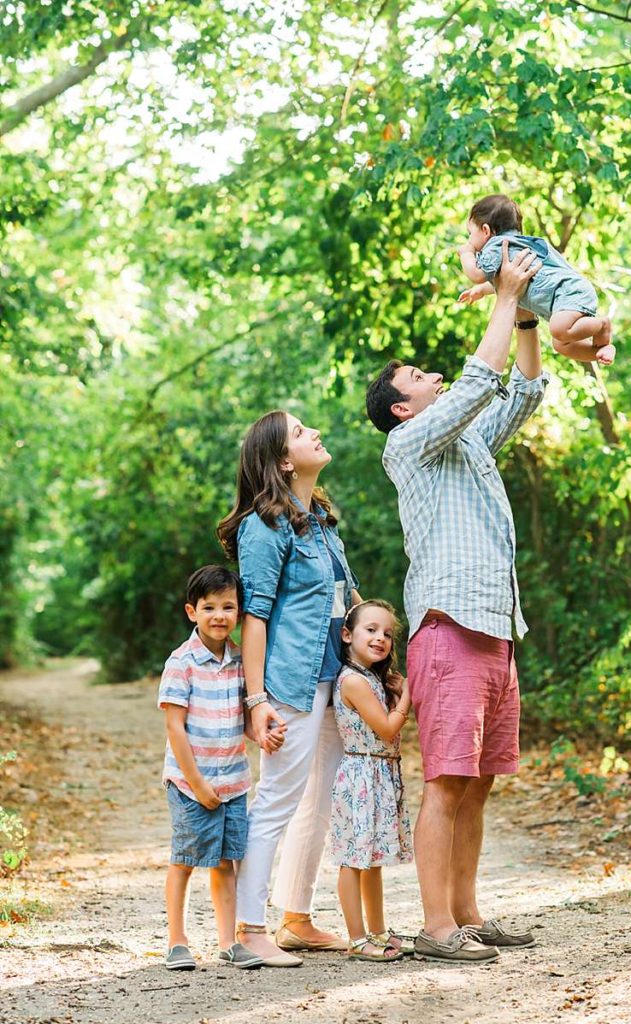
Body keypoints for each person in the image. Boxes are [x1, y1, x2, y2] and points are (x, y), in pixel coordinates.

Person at [365, 241, 546, 964]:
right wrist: (501, 296)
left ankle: (467, 914)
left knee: (478, 785)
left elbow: (522, 390)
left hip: (497, 630)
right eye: (417, 375)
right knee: (445, 783)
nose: (431, 373)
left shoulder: (466, 445)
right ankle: (436, 927)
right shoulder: (407, 445)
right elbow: (477, 381)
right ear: (403, 405)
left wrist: (526, 314)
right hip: (448, 632)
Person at [217, 410, 361, 967]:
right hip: (290, 682)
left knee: (319, 799)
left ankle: (294, 919)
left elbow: (341, 600)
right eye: (300, 433)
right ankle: (247, 931)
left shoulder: (319, 521)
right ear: (281, 459)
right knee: (276, 800)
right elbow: (254, 618)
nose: (314, 433)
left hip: (336, 676)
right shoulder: (264, 526)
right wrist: (255, 703)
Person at [158, 565, 269, 971]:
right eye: (209, 607)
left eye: (228, 606)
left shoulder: (241, 660)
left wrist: (262, 735)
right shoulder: (181, 662)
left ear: (238, 612)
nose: (219, 615)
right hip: (191, 783)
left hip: (234, 780)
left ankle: (227, 942)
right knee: (185, 858)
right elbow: (175, 726)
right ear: (192, 612)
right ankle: (176, 941)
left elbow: (241, 716)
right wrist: (197, 782)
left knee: (226, 861)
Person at [330, 600, 413, 963]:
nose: (380, 638)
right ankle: (356, 937)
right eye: (371, 630)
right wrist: (407, 694)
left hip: (378, 774)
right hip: (361, 777)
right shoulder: (353, 681)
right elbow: (388, 727)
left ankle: (378, 931)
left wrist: (393, 691)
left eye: (388, 634)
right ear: (347, 635)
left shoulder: (372, 679)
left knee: (373, 858)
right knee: (353, 859)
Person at [458, 192, 615, 366]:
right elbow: (503, 279)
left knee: (558, 329)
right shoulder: (512, 247)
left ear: (486, 230)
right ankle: (601, 349)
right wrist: (481, 291)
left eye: (470, 233)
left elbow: (476, 274)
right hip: (569, 295)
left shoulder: (497, 244)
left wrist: (466, 253)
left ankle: (602, 325)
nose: (469, 239)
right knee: (561, 344)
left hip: (568, 291)